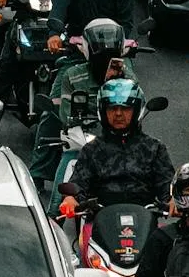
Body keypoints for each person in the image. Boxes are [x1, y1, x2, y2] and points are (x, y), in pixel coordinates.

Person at [28, 14, 135, 189]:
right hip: (74, 55)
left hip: (117, 134)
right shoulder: (73, 75)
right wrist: (54, 34)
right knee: (51, 114)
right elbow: (60, 7)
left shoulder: (127, 76)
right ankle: (38, 175)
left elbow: (127, 19)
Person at [65, 77, 173, 211]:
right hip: (100, 217)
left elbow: (167, 185)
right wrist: (71, 198)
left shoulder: (154, 148)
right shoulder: (91, 149)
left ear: (136, 110)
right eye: (112, 108)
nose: (118, 114)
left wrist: (172, 200)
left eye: (125, 108)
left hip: (145, 217)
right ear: (103, 111)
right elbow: (78, 183)